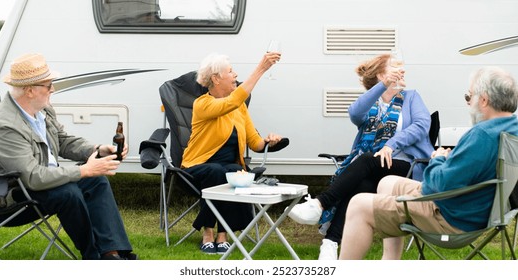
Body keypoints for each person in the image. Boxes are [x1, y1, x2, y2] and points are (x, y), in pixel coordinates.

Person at [338, 66, 518, 260]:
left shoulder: (482, 135)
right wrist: (451, 160)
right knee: (387, 182)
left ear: (484, 100)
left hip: (451, 218)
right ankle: (389, 264)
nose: (468, 103)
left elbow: (436, 186)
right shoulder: (511, 129)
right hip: (475, 209)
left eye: (469, 97)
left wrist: (438, 158)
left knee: (358, 205)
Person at [287, 53, 434, 260]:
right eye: (396, 66)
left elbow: (421, 126)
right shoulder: (371, 102)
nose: (403, 70)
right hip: (374, 170)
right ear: (383, 74)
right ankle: (330, 244)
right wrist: (383, 86)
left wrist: (391, 146)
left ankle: (320, 204)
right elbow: (354, 113)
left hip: (406, 167)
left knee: (366, 160)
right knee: (361, 186)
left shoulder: (411, 97)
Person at [0, 53, 136, 260]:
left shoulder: (43, 109)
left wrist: (97, 150)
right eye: (48, 85)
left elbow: (62, 140)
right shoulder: (5, 125)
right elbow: (33, 177)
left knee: (96, 180)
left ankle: (112, 254)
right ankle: (93, 258)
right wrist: (83, 170)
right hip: (15, 194)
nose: (53, 89)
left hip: (48, 184)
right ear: (29, 91)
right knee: (69, 192)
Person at [181, 51, 283, 254]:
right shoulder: (202, 104)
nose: (235, 75)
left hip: (226, 167)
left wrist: (269, 141)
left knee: (236, 171)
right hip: (197, 166)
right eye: (230, 71)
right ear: (216, 79)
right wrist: (261, 68)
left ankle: (223, 234)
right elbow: (232, 102)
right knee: (217, 172)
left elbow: (255, 143)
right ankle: (208, 232)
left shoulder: (240, 108)